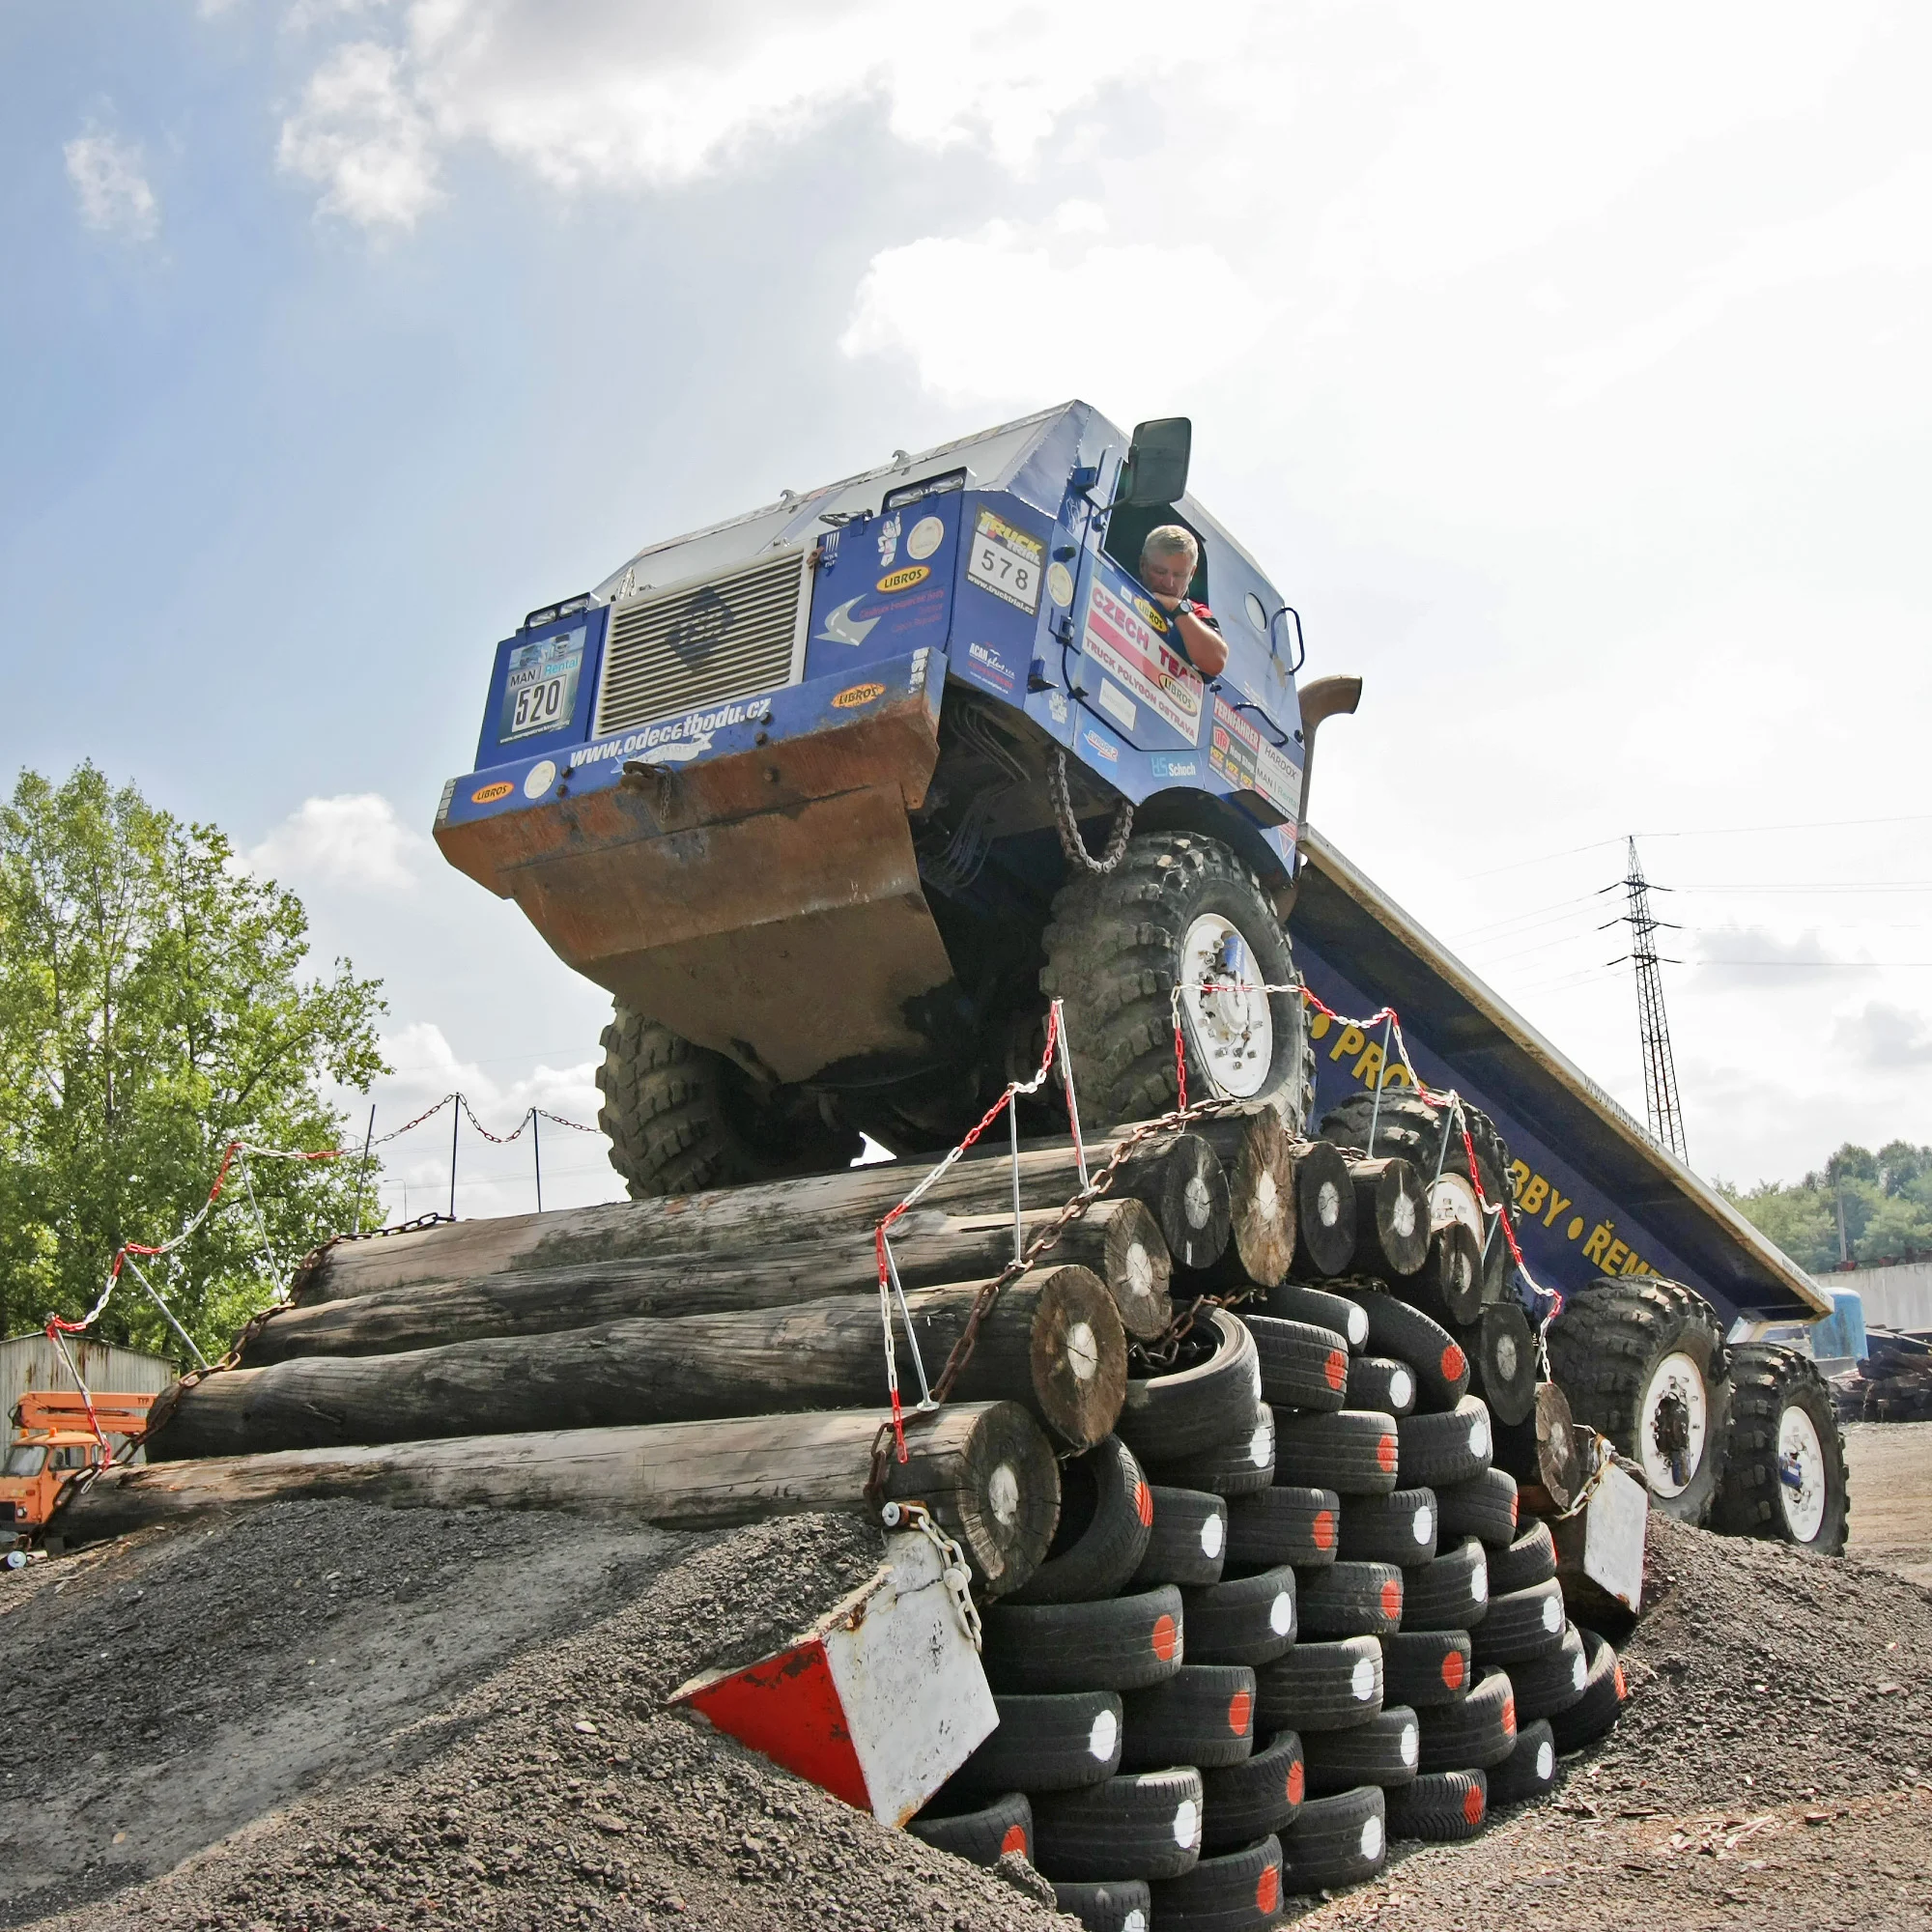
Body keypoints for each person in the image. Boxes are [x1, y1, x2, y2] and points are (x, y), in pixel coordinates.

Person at [1138, 526, 1228, 678]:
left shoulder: (1197, 613)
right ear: (1143, 565)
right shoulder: (1115, 579)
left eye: (1179, 575)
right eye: (1160, 572)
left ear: (1192, 573)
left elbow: (1216, 661)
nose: (1169, 583)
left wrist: (1177, 608)